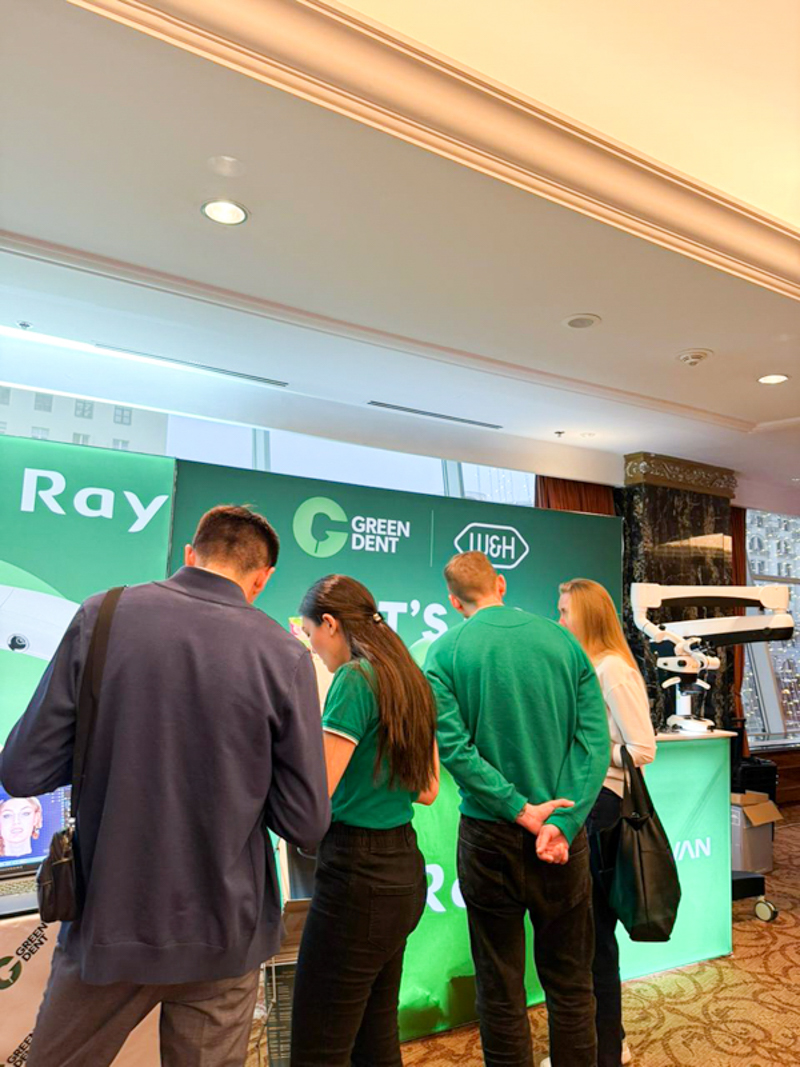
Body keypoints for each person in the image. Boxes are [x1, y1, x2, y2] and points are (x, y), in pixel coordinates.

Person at [0, 504, 330, 1067]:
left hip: (111, 922)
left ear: (190, 554)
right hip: (226, 932)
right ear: (262, 578)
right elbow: (305, 823)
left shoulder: (101, 616)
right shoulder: (284, 654)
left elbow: (23, 770)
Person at [425, 551, 610, 1067]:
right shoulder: (563, 642)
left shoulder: (444, 652)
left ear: (454, 601)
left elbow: (455, 749)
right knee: (571, 981)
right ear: (501, 584)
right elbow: (594, 744)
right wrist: (561, 821)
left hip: (489, 838)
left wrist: (517, 808)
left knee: (499, 984)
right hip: (561, 837)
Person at [291, 574, 438, 1067]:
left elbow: (318, 791)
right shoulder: (408, 676)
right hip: (402, 870)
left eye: (311, 634)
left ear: (331, 624)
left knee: (319, 1046)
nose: (313, 648)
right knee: (375, 1038)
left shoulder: (355, 678)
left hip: (356, 876)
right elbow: (427, 790)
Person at [556, 579, 657, 1067]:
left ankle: (605, 1051)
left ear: (587, 617)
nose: (559, 620)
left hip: (604, 808)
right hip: (589, 806)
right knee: (589, 937)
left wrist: (594, 751)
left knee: (594, 938)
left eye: (564, 611)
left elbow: (643, 749)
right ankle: (606, 1041)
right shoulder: (591, 666)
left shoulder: (612, 669)